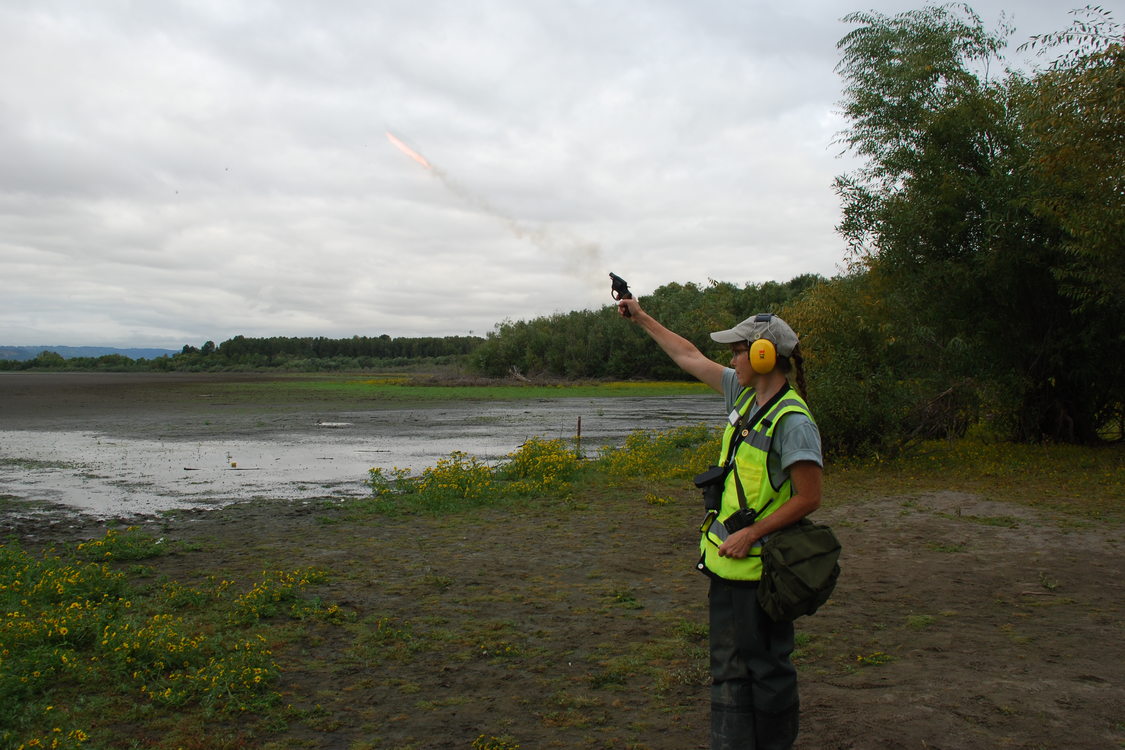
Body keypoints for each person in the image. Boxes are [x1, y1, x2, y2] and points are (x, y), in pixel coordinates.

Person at [617, 297, 823, 750]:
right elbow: (688, 355)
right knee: (728, 669)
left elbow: (809, 498)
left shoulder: (794, 421)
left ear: (764, 355)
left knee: (767, 671)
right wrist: (643, 316)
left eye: (737, 350)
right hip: (727, 568)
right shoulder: (744, 395)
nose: (730, 359)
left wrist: (752, 532)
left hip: (763, 572)